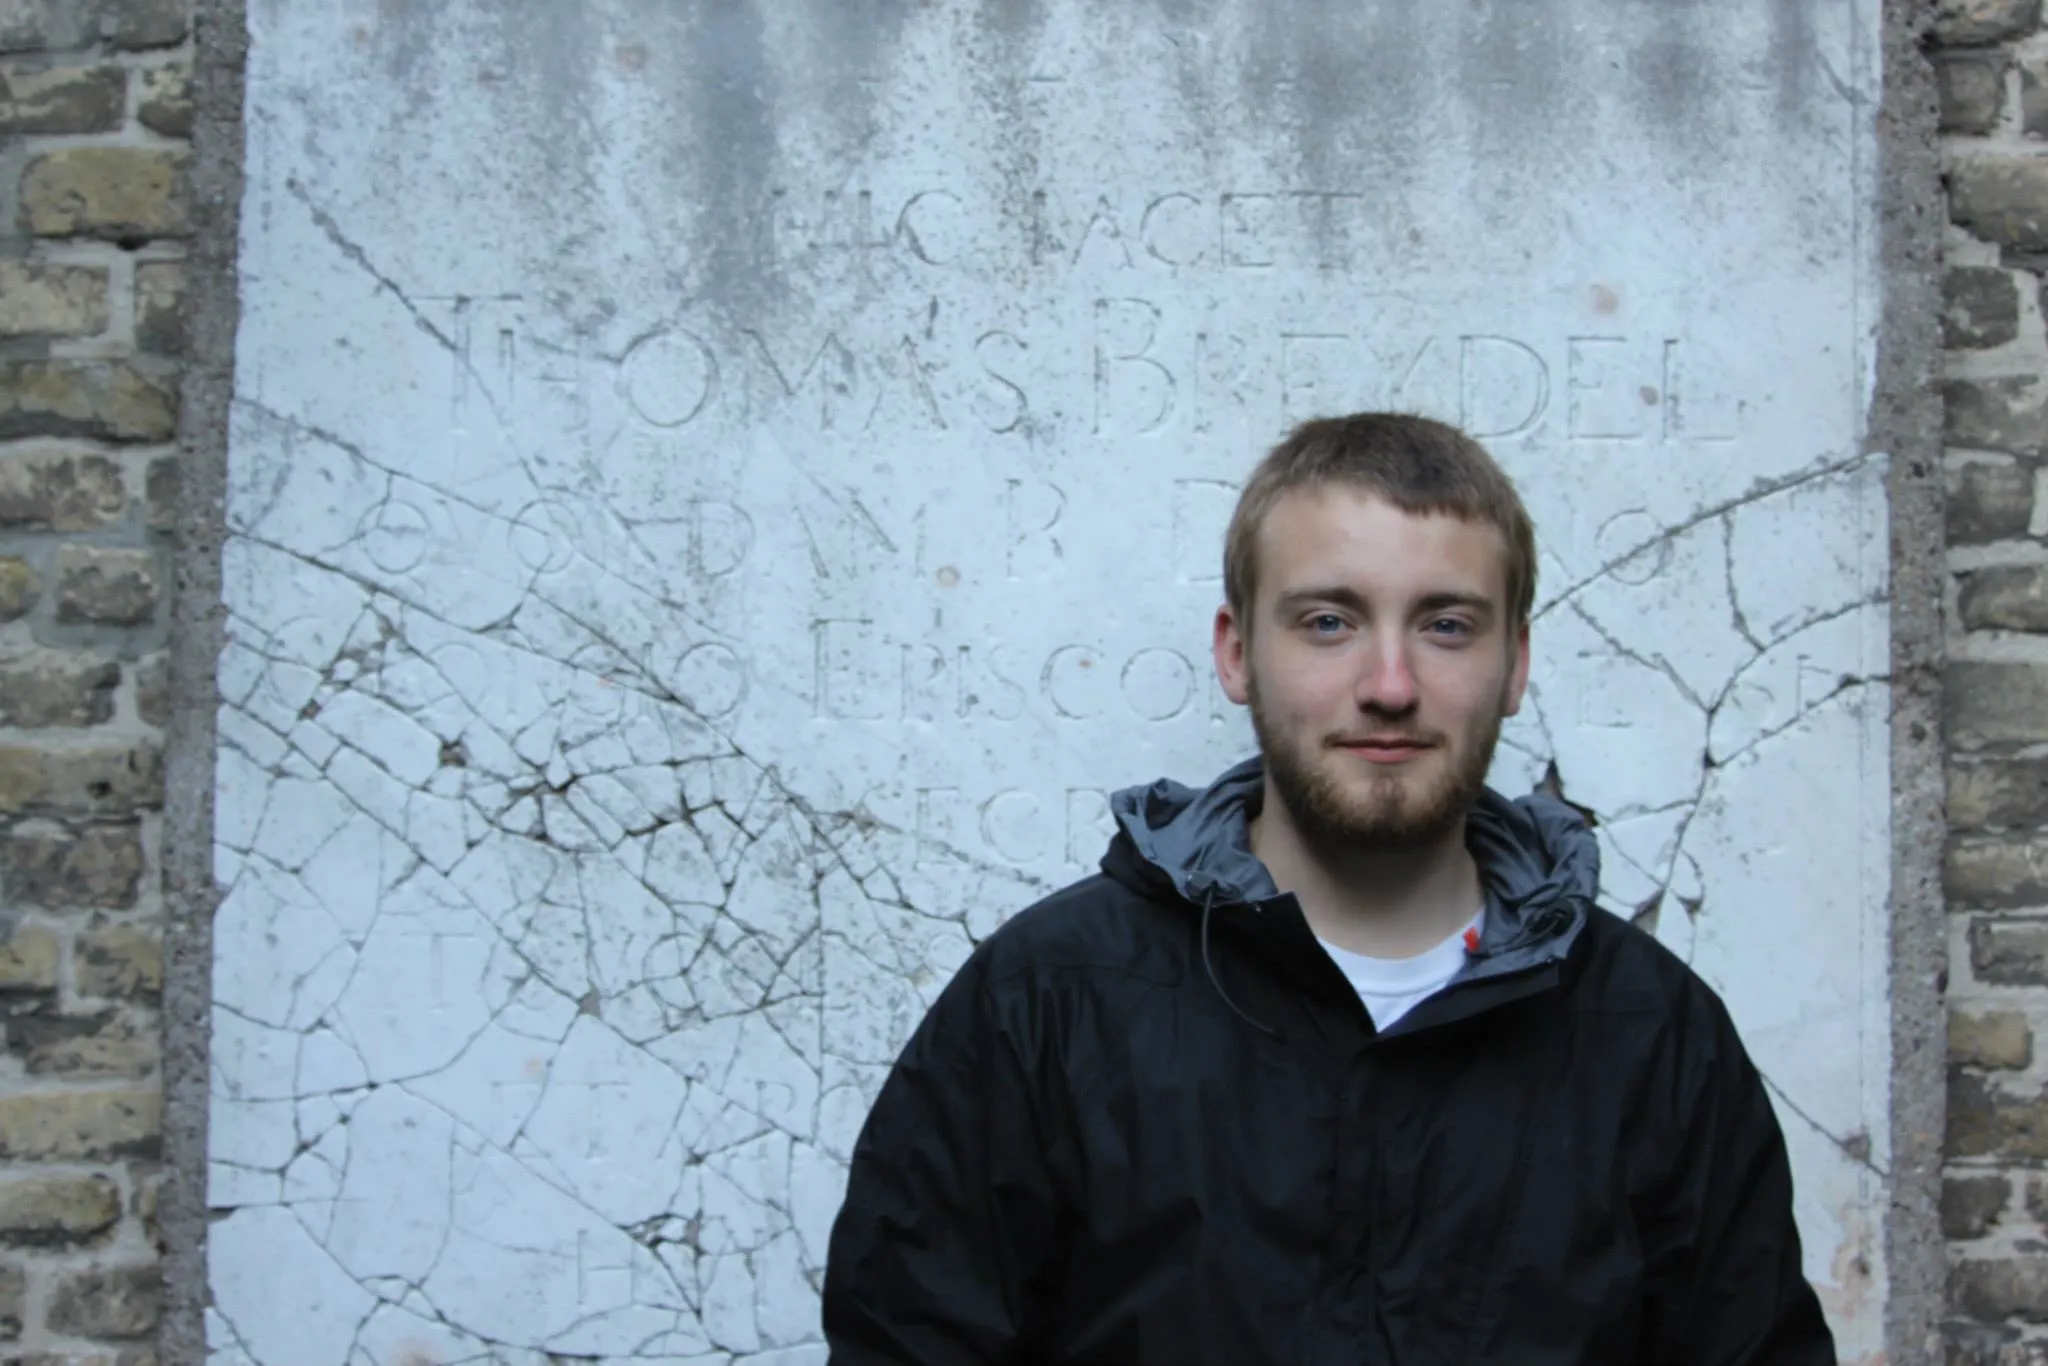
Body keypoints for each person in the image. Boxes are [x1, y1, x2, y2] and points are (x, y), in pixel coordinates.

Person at [820, 413, 1836, 1365]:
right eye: (1325, 620)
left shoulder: (1654, 1038)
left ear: (1514, 662)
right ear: (1235, 653)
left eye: (1444, 625)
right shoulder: (1044, 1006)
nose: (1387, 682)